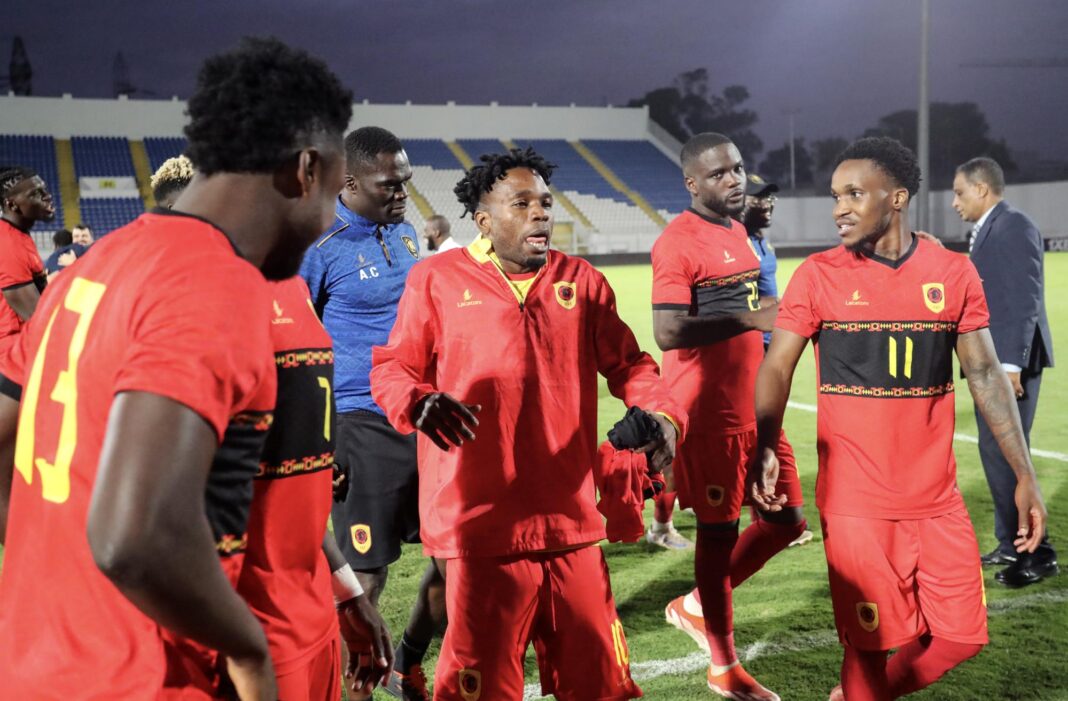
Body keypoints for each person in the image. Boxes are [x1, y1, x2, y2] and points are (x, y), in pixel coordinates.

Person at [0, 36, 353, 701]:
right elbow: (132, 538)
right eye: (333, 196)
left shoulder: (97, 262)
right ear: (304, 169)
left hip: (40, 663)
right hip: (147, 677)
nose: (327, 222)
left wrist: (58, 569)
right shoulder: (214, 281)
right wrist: (249, 653)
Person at [370, 147, 681, 701]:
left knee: (602, 687)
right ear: (484, 219)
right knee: (482, 690)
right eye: (522, 203)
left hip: (570, 524)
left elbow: (632, 365)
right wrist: (417, 401)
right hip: (481, 526)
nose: (541, 213)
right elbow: (395, 367)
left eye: (545, 202)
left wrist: (660, 415)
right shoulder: (435, 280)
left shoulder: (580, 280)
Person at [749, 136, 1048, 700]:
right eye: (836, 194)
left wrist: (1024, 473)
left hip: (936, 499)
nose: (839, 207)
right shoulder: (818, 275)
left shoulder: (952, 272)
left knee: (961, 637)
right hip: (856, 503)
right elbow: (777, 366)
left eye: (855, 193)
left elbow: (984, 374)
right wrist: (766, 441)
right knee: (867, 648)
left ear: (898, 197)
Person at [151, 160, 394, 700]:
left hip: (311, 614)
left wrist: (348, 594)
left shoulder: (286, 288)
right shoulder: (168, 313)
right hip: (233, 633)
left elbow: (291, 484)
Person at [651, 133, 806, 701]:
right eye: (719, 174)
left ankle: (693, 604)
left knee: (787, 520)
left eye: (738, 168)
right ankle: (723, 665)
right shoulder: (677, 242)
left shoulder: (739, 232)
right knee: (719, 535)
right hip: (708, 412)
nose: (734, 180)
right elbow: (666, 331)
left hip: (753, 406)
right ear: (692, 183)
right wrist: (749, 319)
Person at [300, 126, 443, 700]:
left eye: (406, 182)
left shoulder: (404, 234)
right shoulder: (318, 246)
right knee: (365, 573)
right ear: (351, 183)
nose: (403, 193)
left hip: (422, 414)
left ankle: (406, 662)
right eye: (391, 184)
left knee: (453, 558)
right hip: (359, 420)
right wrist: (320, 439)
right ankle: (353, 691)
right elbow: (290, 349)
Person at [952, 156, 1058, 587]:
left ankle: (1039, 552)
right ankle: (1011, 542)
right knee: (996, 454)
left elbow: (1023, 297)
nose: (954, 202)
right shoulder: (993, 227)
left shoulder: (1013, 225)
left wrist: (1010, 365)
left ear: (981, 189)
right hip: (994, 365)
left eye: (959, 193)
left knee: (1011, 457)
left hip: (1009, 365)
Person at [740, 172, 814, 548]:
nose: (767, 204)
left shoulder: (761, 243)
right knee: (762, 433)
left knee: (764, 433)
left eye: (770, 199)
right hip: (746, 352)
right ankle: (661, 520)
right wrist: (769, 308)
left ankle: (767, 511)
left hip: (770, 347)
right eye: (758, 198)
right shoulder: (734, 243)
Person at [0, 165, 53, 348]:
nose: (47, 196)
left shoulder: (18, 234)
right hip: (12, 354)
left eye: (44, 189)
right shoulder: (8, 244)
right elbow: (35, 317)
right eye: (36, 193)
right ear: (12, 204)